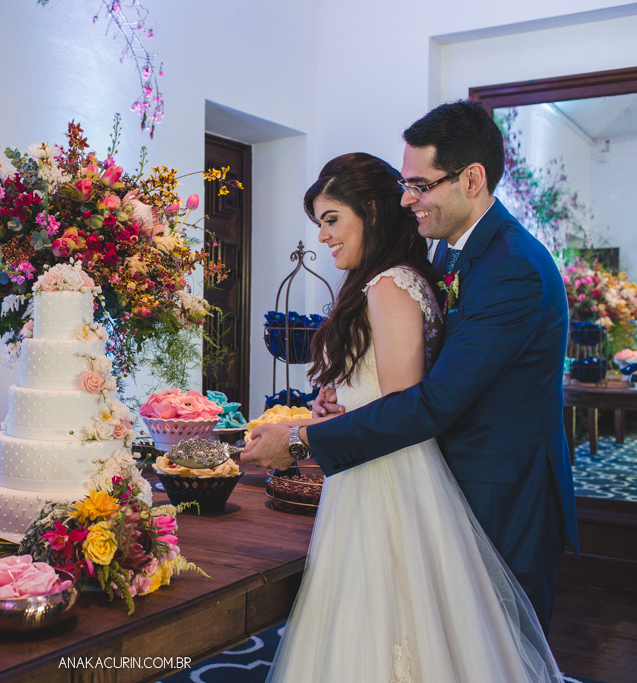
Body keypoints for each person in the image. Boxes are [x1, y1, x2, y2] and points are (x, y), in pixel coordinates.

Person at [242, 101, 578, 638]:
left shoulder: (513, 267)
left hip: (500, 504)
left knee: (500, 660)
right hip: (443, 490)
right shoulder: (446, 256)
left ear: (472, 179)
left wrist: (305, 440)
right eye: (404, 183)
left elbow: (435, 402)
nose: (406, 199)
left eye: (421, 185)